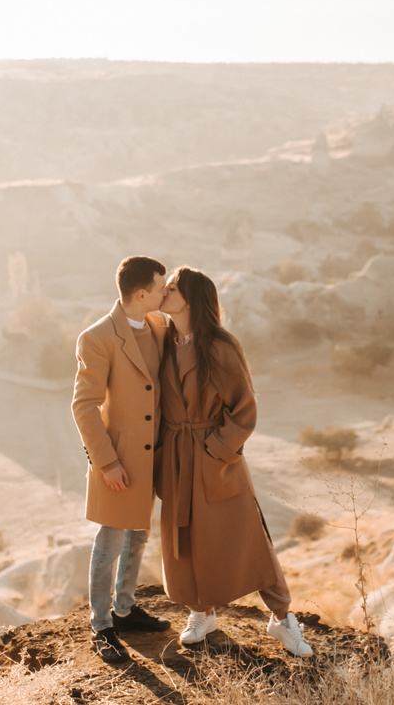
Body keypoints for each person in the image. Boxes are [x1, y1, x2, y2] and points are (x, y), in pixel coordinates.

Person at [154, 266, 313, 657]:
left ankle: (281, 619)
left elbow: (244, 410)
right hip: (176, 458)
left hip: (215, 460)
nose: (165, 293)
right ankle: (202, 613)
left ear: (191, 298)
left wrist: (215, 450)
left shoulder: (220, 346)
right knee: (186, 540)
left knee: (249, 539)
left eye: (172, 288)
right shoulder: (162, 342)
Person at [72, 255, 172, 663]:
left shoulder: (159, 325)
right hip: (118, 461)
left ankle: (125, 609)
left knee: (139, 536)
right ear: (141, 293)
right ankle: (100, 625)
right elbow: (84, 406)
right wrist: (107, 462)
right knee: (110, 541)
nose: (166, 293)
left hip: (151, 459)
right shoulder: (96, 337)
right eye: (162, 287)